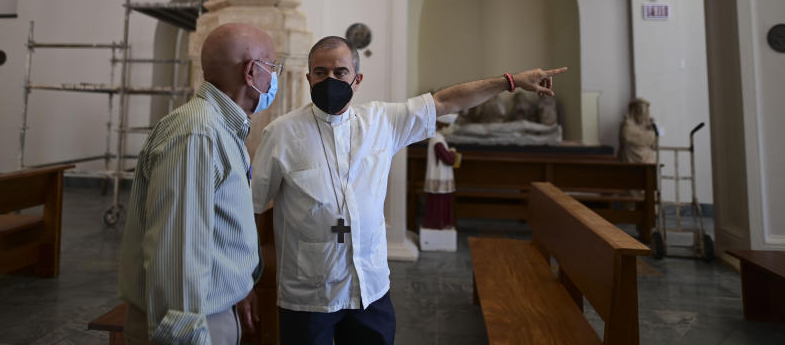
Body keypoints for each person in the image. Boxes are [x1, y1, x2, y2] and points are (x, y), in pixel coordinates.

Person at [251, 35, 566, 345]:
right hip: (308, 295)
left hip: (370, 290)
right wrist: (248, 282)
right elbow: (252, 209)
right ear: (308, 78)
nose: (329, 79)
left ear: (357, 79)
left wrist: (510, 81)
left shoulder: (382, 121)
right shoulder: (280, 133)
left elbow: (446, 101)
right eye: (320, 73)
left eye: (340, 72)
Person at [118, 23, 281, 345]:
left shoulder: (220, 128)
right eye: (273, 67)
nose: (274, 77)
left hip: (215, 309)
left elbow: (218, 230)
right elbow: (177, 254)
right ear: (252, 72)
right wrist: (185, 334)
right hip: (193, 325)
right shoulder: (199, 134)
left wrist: (239, 285)